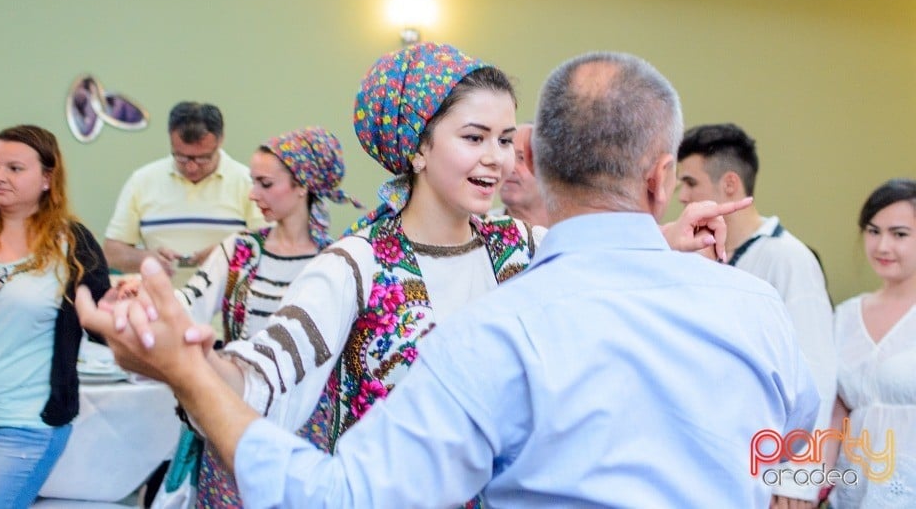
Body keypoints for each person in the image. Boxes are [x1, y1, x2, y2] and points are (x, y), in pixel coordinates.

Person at [77, 50, 817, 508]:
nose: (496, 160)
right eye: (472, 138)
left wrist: (661, 243)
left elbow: (592, 266)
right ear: (416, 149)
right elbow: (267, 369)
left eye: (505, 139)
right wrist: (193, 363)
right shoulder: (358, 265)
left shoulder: (517, 246)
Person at [174, 126, 362, 507]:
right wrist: (149, 300)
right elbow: (187, 301)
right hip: (236, 407)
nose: (253, 194)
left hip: (310, 418)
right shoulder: (241, 250)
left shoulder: (340, 259)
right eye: (253, 182)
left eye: (265, 183)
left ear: (303, 186)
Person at [677, 122, 836, 509]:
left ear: (729, 184)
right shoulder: (701, 254)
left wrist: (798, 479)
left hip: (770, 471)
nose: (681, 196)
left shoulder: (786, 257)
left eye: (690, 182)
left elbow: (816, 368)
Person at [0, 125, 110, 508]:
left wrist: (125, 305)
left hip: (23, 424)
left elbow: (104, 326)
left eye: (14, 168)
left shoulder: (73, 244)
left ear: (47, 178)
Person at [103, 101, 266, 286]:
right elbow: (112, 253)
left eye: (203, 158)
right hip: (161, 307)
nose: (191, 166)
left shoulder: (247, 182)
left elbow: (270, 246)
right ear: (170, 140)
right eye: (181, 157)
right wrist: (146, 259)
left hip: (227, 310)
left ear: (220, 141)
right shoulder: (142, 181)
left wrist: (226, 254)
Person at [830, 178, 916, 508]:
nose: (882, 246)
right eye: (873, 230)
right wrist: (806, 486)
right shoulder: (845, 316)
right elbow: (834, 418)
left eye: (899, 234)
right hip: (854, 492)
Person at [496, 123, 550, 227]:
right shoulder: (479, 230)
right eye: (506, 158)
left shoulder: (573, 234)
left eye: (522, 158)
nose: (510, 168)